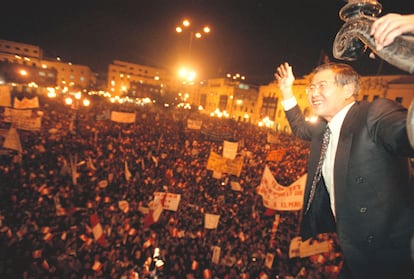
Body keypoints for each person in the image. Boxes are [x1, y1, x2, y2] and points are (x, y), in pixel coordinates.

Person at [275, 61, 414, 278]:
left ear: (348, 89)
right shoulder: (324, 127)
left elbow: (404, 133)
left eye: (322, 85)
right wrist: (286, 92)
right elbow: (301, 129)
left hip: (393, 255)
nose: (314, 93)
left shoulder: (374, 113)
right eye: (311, 87)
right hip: (354, 251)